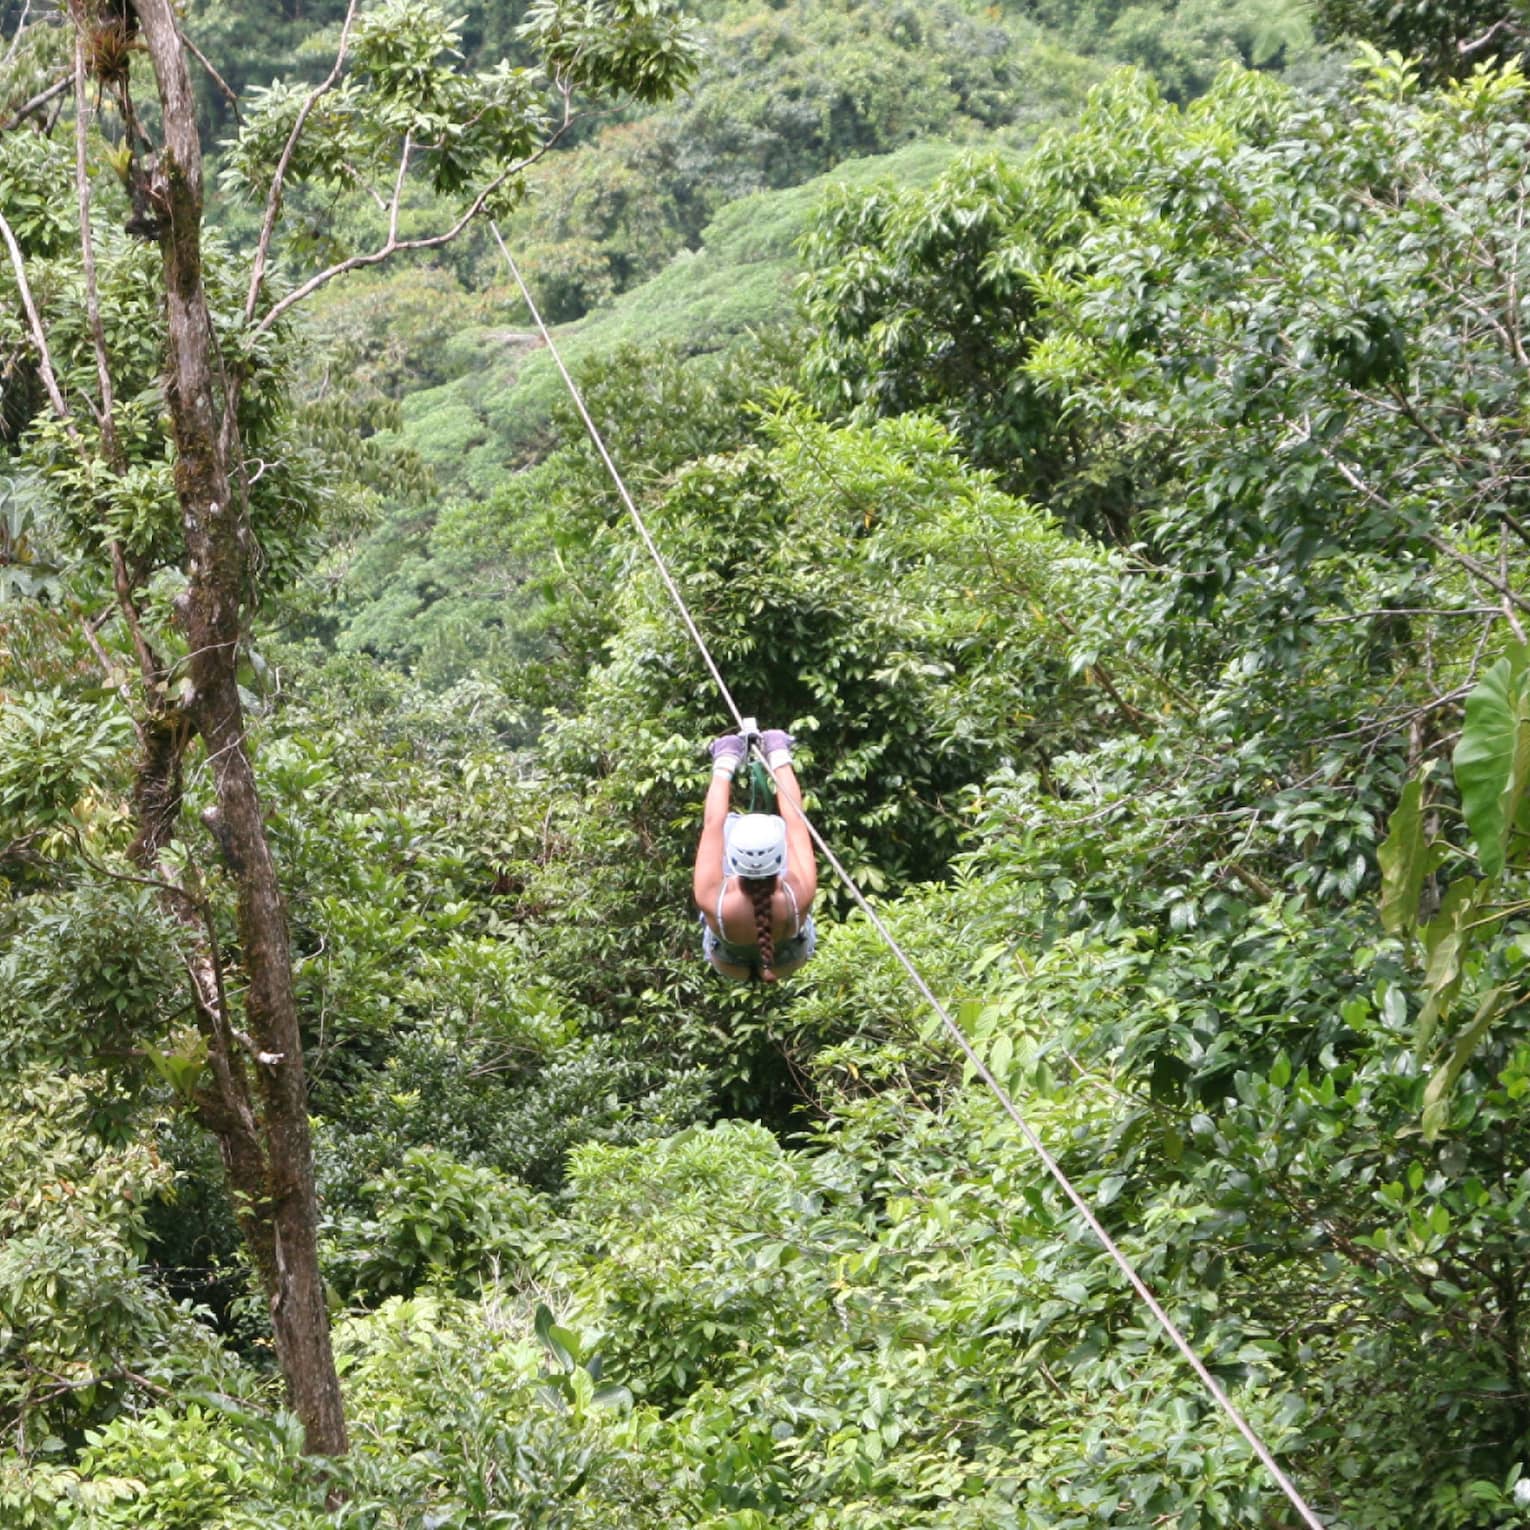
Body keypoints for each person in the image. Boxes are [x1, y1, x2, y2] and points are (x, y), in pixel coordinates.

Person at [693, 727, 818, 982]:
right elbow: (795, 819)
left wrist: (725, 760)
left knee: (728, 824)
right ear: (778, 860)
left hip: (729, 962)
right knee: (782, 827)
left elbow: (713, 823)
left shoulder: (712, 898)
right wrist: (778, 754)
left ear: (735, 860)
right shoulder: (799, 893)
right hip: (788, 959)